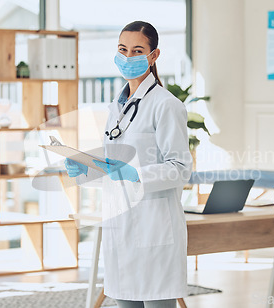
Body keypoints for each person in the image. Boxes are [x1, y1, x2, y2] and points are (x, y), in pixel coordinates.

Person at [65, 20, 192, 308]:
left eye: (137, 51)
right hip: (120, 225)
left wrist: (137, 173)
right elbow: (115, 166)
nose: (127, 57)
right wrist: (90, 168)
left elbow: (181, 168)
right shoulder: (117, 107)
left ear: (153, 55)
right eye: (123, 49)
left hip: (153, 226)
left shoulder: (165, 105)